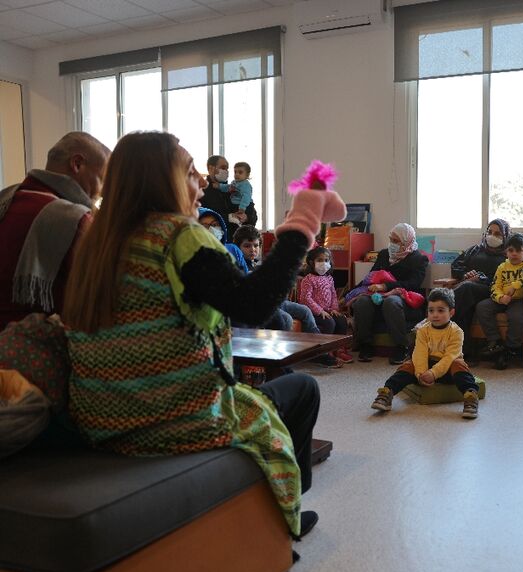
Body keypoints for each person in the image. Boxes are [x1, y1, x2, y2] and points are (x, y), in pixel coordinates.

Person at [62, 131, 346, 541]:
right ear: (163, 181)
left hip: (99, 420)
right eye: (190, 171)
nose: (201, 181)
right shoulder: (179, 235)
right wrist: (302, 222)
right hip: (171, 424)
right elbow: (253, 305)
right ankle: (287, 514)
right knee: (302, 389)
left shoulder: (98, 242)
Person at [0, 131, 110, 329]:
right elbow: (94, 300)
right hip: (38, 349)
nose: (101, 191)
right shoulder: (77, 219)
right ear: (77, 164)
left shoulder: (4, 198)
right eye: (102, 179)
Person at [370, 288, 480, 418]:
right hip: (426, 368)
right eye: (431, 310)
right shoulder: (423, 330)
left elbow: (450, 357)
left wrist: (433, 373)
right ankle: (387, 393)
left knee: (458, 364)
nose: (435, 315)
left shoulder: (457, 332)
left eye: (440, 310)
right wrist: (421, 374)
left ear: (451, 312)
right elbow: (419, 353)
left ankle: (470, 397)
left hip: (447, 370)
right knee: (408, 365)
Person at [351, 223, 428, 364]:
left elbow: (413, 284)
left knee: (391, 302)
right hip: (378, 296)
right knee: (361, 302)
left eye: (396, 241)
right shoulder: (384, 254)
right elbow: (370, 277)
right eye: (390, 239)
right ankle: (366, 344)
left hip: (406, 299)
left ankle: (401, 347)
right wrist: (349, 294)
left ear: (407, 241)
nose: (392, 244)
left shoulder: (418, 258)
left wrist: (386, 285)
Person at [475, 232, 523, 369]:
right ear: (506, 252)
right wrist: (500, 298)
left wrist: (515, 286)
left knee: (517, 317)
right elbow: (494, 286)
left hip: (520, 299)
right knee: (482, 307)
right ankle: (496, 342)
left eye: (519, 250)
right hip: (503, 299)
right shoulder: (502, 267)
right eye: (511, 250)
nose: (514, 254)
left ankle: (512, 348)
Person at [443, 219, 511, 337]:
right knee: (464, 304)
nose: (491, 236)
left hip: (492, 290)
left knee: (466, 288)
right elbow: (456, 265)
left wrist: (481, 279)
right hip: (469, 289)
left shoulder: (509, 255)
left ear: (505, 236)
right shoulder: (475, 250)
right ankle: (461, 347)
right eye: (489, 232)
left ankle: (437, 320)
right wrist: (465, 275)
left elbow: (509, 278)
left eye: (497, 234)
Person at [297, 246, 353, 363]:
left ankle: (339, 349)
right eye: (320, 260)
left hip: (327, 310)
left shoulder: (329, 278)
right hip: (313, 312)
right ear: (312, 262)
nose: (324, 263)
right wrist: (320, 311)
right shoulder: (308, 279)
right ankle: (324, 351)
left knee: (341, 320)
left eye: (326, 260)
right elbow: (305, 298)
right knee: (329, 323)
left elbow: (333, 295)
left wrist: (333, 309)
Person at [201, 155, 257, 237]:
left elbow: (253, 214)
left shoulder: (232, 189)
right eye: (223, 168)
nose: (226, 171)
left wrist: (247, 217)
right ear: (211, 168)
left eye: (227, 168)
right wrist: (229, 217)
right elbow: (202, 216)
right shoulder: (202, 191)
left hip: (236, 241)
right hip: (215, 241)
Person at [197, 207, 248, 273]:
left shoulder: (233, 250)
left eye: (215, 224)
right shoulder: (191, 257)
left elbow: (245, 279)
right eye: (204, 226)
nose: (211, 229)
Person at [226, 161, 253, 226]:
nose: (237, 174)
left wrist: (242, 208)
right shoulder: (234, 182)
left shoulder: (246, 185)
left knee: (240, 218)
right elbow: (227, 187)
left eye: (240, 172)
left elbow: (246, 197)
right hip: (236, 204)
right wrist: (219, 186)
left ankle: (239, 223)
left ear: (247, 175)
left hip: (244, 206)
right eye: (235, 172)